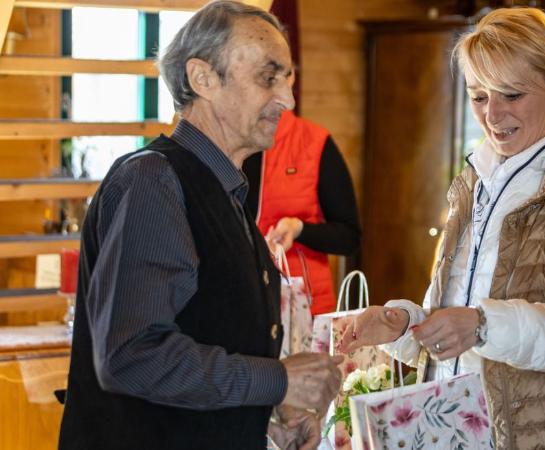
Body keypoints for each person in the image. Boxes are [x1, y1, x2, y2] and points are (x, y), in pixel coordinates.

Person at [340, 7, 545, 449]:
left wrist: (482, 326)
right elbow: (452, 316)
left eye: (511, 95)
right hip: (457, 431)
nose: (493, 115)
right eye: (479, 96)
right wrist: (405, 325)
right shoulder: (473, 180)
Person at [57, 3, 343, 450]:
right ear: (202, 78)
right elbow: (132, 357)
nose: (287, 99)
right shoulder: (153, 180)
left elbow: (203, 339)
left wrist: (257, 425)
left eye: (288, 78)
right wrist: (277, 382)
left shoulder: (223, 188)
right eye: (269, 77)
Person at [243, 107, 361, 315]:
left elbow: (349, 237)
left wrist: (299, 229)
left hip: (301, 308)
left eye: (283, 75)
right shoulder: (222, 140)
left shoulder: (314, 142)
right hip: (239, 301)